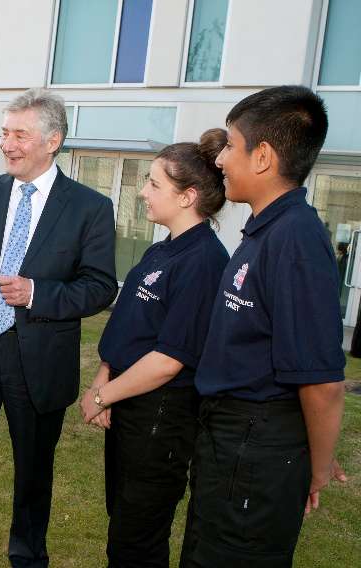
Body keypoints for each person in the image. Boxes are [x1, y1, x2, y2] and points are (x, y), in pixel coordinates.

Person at [0, 88, 118, 568]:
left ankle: (28, 558)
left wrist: (38, 293)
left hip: (38, 361)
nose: (7, 144)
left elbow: (100, 287)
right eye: (4, 133)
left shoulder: (89, 208)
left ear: (52, 140)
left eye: (20, 135)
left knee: (33, 476)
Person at [179, 86, 346, 567]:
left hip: (257, 449)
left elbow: (322, 383)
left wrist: (315, 467)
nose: (221, 159)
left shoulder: (295, 239)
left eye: (230, 145)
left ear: (263, 157)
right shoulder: (265, 230)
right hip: (230, 442)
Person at [80, 129, 230, 567]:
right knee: (123, 526)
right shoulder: (161, 251)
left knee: (137, 541)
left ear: (188, 197)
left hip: (160, 419)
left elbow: (169, 359)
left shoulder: (203, 261)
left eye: (154, 184)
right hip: (129, 405)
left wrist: (103, 395)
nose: (142, 192)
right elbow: (128, 328)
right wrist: (104, 376)